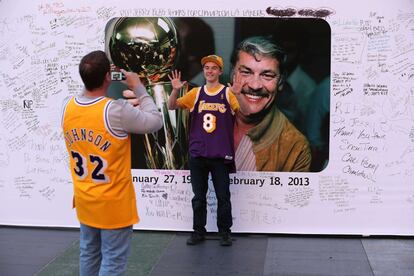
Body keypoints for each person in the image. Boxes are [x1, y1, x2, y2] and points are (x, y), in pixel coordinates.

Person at [61, 50, 162, 275]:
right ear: (108, 77)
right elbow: (155, 121)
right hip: (113, 203)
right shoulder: (115, 109)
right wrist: (138, 87)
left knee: (88, 252)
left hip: (85, 198)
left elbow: (87, 96)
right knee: (113, 263)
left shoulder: (67, 107)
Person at [167, 55, 239, 246]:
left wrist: (238, 94)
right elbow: (171, 106)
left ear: (220, 71)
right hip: (198, 153)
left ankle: (224, 232)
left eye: (213, 68)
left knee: (223, 196)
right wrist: (175, 91)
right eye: (206, 67)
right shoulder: (196, 93)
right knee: (199, 197)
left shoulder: (228, 93)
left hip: (220, 154)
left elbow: (243, 112)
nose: (209, 71)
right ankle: (198, 231)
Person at [230, 36, 311, 172]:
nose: (255, 85)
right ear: (233, 75)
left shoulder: (296, 147)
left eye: (267, 75)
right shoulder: (202, 116)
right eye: (246, 72)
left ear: (280, 82)